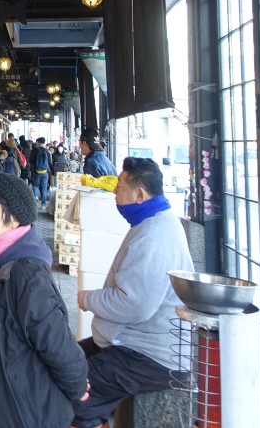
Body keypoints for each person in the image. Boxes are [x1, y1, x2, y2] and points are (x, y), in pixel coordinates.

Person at [0, 173, 89, 428]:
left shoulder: (26, 273)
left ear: (15, 218)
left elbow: (56, 342)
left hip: (24, 412)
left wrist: (76, 385)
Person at [72, 157, 193, 428]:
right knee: (64, 361)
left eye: (120, 186)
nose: (115, 191)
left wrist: (87, 299)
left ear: (139, 195)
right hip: (127, 340)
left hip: (149, 355)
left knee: (74, 393)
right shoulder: (153, 221)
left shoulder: (154, 236)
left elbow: (134, 305)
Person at [30, 136, 52, 205]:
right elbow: (50, 162)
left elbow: (31, 160)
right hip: (45, 172)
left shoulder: (35, 150)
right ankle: (43, 204)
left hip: (36, 171)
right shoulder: (47, 151)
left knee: (35, 185)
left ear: (38, 142)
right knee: (44, 188)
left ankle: (36, 198)